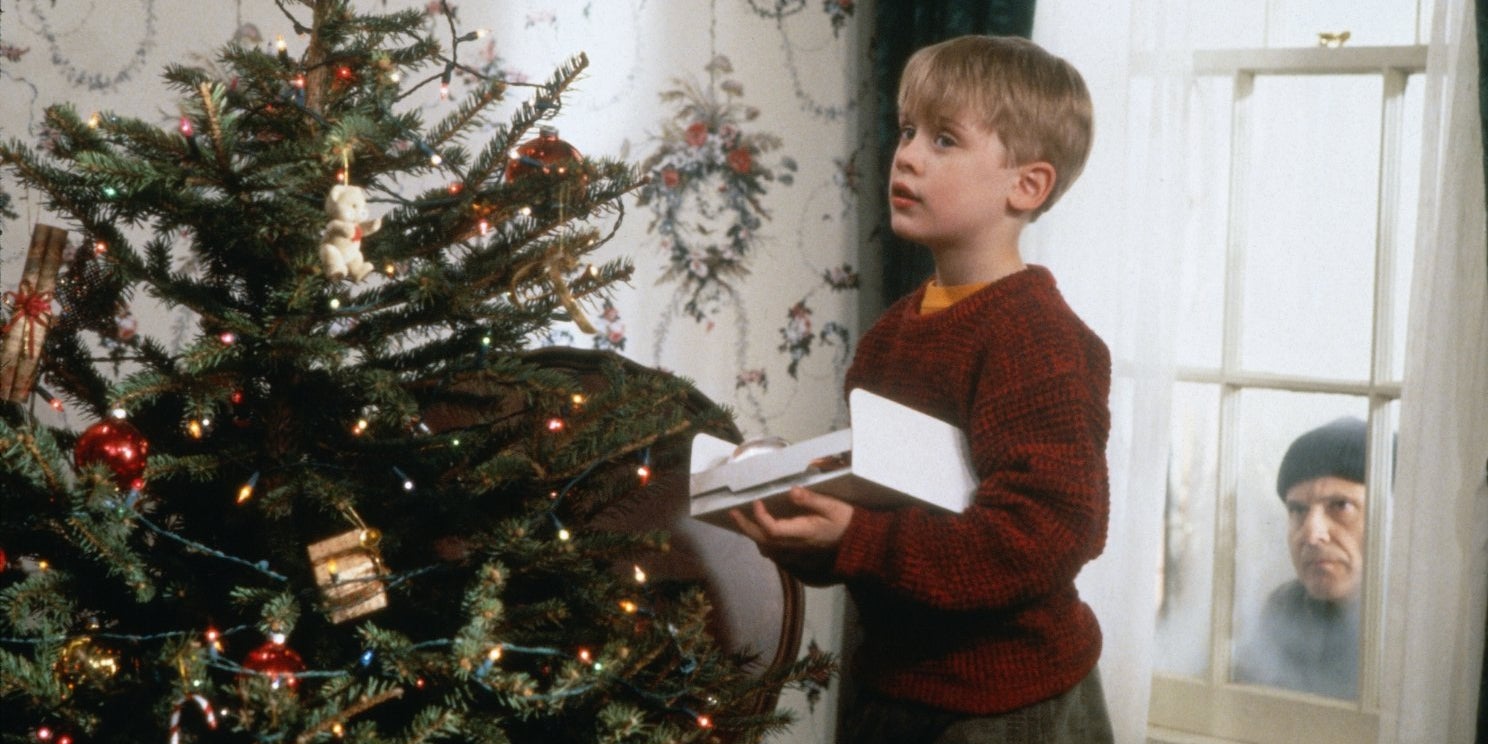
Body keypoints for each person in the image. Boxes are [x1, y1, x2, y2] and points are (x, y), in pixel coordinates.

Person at [729, 35, 1113, 743]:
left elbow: (1046, 535)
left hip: (1006, 707)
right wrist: (811, 536)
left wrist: (859, 541)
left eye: (943, 139)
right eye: (908, 132)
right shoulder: (889, 337)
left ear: (1026, 185)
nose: (906, 155)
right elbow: (886, 523)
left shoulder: (1040, 339)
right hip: (891, 692)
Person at [1234, 416, 1368, 699]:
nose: (1311, 534)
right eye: (1297, 510)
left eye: (1340, 506)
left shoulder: (1416, 623)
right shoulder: (1284, 606)